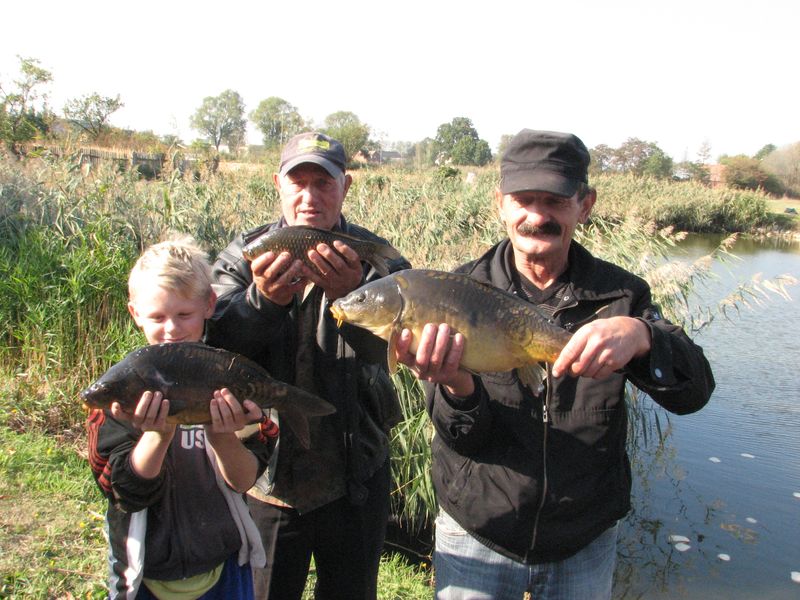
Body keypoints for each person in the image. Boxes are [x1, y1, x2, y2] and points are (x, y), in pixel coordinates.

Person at [394, 129, 716, 600]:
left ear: (584, 205)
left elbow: (695, 393)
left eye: (555, 201)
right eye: (524, 200)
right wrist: (457, 387)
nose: (536, 216)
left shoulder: (621, 295)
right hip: (480, 529)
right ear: (500, 203)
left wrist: (643, 336)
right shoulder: (453, 292)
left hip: (583, 539)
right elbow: (462, 437)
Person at [206, 132, 411, 599]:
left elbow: (403, 352)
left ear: (347, 185)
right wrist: (264, 303)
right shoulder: (244, 255)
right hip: (266, 476)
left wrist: (352, 297)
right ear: (278, 183)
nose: (309, 196)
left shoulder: (378, 259)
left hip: (355, 469)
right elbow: (213, 348)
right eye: (298, 183)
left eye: (324, 183)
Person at [87, 236, 271, 599]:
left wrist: (221, 437)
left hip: (224, 569)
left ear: (209, 306)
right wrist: (157, 435)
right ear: (135, 314)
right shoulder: (122, 395)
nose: (171, 330)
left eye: (183, 315)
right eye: (157, 317)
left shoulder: (228, 378)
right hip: (145, 576)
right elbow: (125, 493)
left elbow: (245, 479)